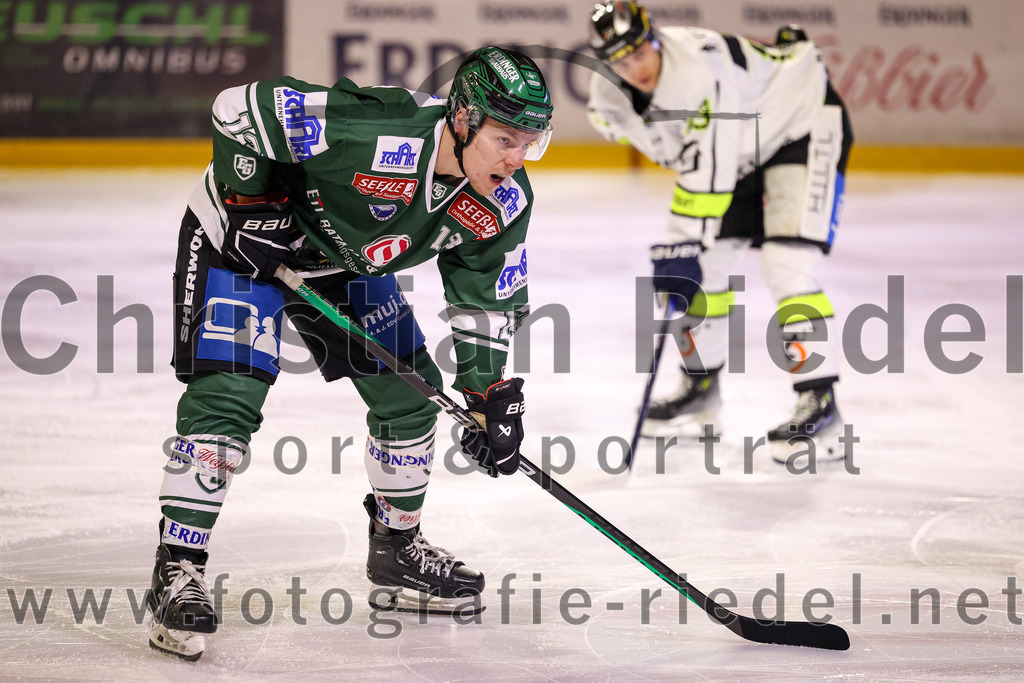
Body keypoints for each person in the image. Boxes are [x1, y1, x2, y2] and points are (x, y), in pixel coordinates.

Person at [146, 46, 553, 661]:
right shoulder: (376, 131)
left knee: (411, 399)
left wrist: (487, 394)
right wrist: (250, 203)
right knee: (230, 397)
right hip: (245, 247)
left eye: (531, 142)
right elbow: (240, 109)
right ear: (463, 120)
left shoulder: (500, 202)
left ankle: (396, 549)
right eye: (504, 139)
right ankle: (177, 567)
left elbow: (486, 303)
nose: (516, 159)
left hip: (340, 263)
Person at [585, 2, 853, 464]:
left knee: (786, 265)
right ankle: (701, 387)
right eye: (620, 61)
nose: (635, 69)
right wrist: (683, 252)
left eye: (640, 53)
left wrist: (679, 246)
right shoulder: (608, 96)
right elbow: (691, 159)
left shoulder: (695, 71)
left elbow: (709, 173)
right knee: (703, 271)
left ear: (655, 38)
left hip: (801, 121)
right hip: (740, 144)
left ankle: (820, 399)